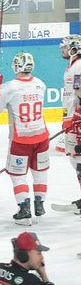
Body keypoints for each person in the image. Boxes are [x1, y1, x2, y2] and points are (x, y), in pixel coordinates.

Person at [0, 52, 50, 226]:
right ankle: (39, 204)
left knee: (18, 176)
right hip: (41, 136)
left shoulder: (9, 87)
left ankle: (24, 208)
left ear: (16, 66)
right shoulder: (40, 84)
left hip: (21, 139)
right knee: (40, 172)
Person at [59, 35, 81, 212]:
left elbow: (80, 92)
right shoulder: (73, 66)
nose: (62, 50)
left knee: (78, 160)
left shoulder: (79, 66)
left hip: (76, 120)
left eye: (65, 47)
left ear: (74, 49)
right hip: (72, 119)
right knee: (75, 160)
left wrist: (76, 119)